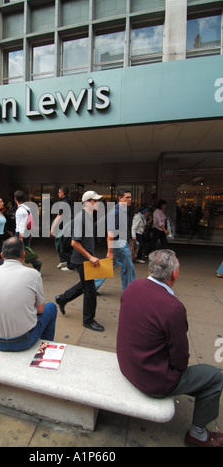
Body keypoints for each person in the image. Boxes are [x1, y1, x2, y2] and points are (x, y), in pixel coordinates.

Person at [117, 249, 223, 448]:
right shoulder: (173, 308)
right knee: (214, 377)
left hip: (126, 365)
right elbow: (180, 359)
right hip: (152, 380)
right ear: (174, 274)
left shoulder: (133, 287)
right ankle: (198, 434)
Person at [0, 237, 57, 352]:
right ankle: (44, 349)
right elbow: (41, 310)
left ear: (2, 255)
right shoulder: (33, 274)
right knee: (51, 308)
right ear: (23, 255)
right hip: (23, 341)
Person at [55, 191, 105, 332]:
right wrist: (90, 257)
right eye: (95, 201)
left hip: (86, 259)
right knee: (90, 291)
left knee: (84, 286)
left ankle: (62, 299)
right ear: (87, 202)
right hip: (82, 260)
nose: (98, 203)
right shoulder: (80, 218)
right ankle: (88, 320)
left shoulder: (88, 217)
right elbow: (74, 243)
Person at [107, 190, 135, 291]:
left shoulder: (123, 211)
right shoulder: (116, 212)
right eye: (126, 197)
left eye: (130, 197)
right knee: (128, 269)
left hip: (121, 243)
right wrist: (110, 251)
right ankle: (129, 292)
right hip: (118, 244)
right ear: (119, 198)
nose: (129, 199)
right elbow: (110, 233)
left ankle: (93, 285)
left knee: (109, 267)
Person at [14, 190, 42, 272]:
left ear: (15, 199)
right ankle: (35, 263)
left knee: (19, 251)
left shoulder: (19, 210)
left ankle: (33, 263)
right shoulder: (27, 208)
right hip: (27, 232)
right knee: (26, 249)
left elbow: (21, 224)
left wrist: (20, 236)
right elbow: (31, 221)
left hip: (21, 233)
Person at [50, 185, 73, 270]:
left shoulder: (64, 203)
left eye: (59, 192)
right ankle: (64, 261)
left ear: (62, 193)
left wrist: (52, 228)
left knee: (62, 244)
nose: (58, 193)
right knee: (64, 244)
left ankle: (69, 264)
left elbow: (59, 216)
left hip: (66, 227)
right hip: (68, 226)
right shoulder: (69, 201)